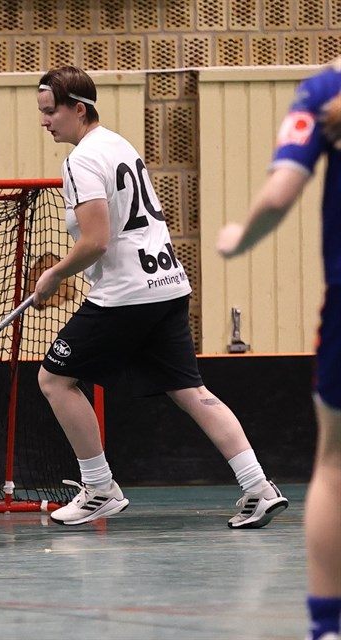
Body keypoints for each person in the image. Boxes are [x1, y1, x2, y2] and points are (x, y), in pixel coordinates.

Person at [32, 65, 288, 529]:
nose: (45, 121)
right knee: (191, 391)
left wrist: (53, 274)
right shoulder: (119, 144)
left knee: (54, 379)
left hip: (126, 293)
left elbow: (96, 241)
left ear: (79, 109)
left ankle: (99, 488)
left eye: (51, 111)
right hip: (168, 285)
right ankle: (259, 487)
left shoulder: (81, 160)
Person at [216, 58, 341, 640]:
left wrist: (239, 237)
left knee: (333, 466)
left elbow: (280, 194)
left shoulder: (325, 90)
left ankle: (327, 627)